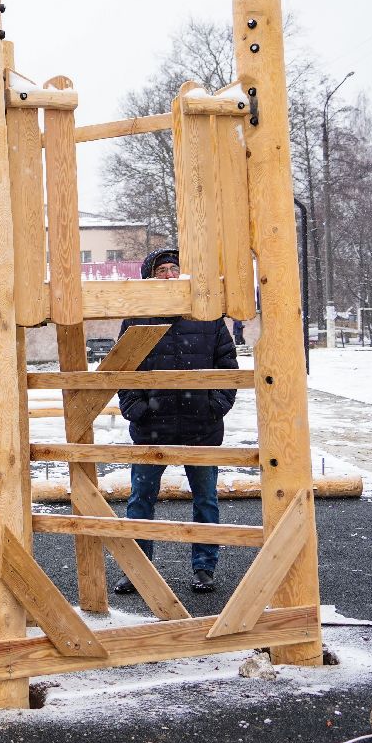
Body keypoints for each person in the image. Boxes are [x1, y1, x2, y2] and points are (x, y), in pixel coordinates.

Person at [114, 248, 238, 594]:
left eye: (173, 269)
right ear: (149, 279)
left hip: (202, 427)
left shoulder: (208, 317)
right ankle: (138, 571)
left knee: (205, 499)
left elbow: (228, 368)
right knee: (140, 499)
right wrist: (137, 408)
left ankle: (204, 569)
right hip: (153, 426)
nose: (168, 274)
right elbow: (123, 371)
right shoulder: (137, 319)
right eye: (161, 270)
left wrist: (215, 406)